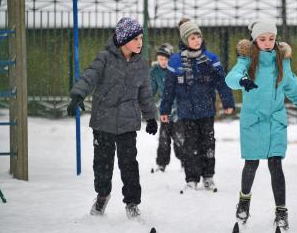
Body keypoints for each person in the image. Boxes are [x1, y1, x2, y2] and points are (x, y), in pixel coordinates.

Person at [225, 19, 297, 230]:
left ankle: (281, 211)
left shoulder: (282, 62)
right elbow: (231, 77)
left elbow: (292, 86)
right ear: (255, 40)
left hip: (275, 120)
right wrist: (242, 81)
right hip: (253, 120)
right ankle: (244, 202)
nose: (267, 42)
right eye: (262, 39)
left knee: (276, 164)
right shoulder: (247, 60)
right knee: (252, 163)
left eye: (271, 39)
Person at [67, 17, 158, 218]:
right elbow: (89, 76)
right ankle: (102, 195)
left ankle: (132, 203)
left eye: (141, 38)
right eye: (136, 39)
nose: (140, 42)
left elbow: (145, 94)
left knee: (129, 164)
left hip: (127, 123)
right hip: (103, 121)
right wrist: (77, 95)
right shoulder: (105, 58)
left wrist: (151, 117)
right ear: (123, 39)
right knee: (102, 164)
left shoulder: (141, 64)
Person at [160, 19, 235, 192]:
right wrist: (164, 109)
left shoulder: (210, 59)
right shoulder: (175, 61)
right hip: (186, 112)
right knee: (190, 145)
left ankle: (208, 177)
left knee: (208, 144)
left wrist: (227, 102)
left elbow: (221, 83)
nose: (196, 41)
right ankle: (191, 178)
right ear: (186, 40)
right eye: (192, 38)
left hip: (206, 110)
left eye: (198, 37)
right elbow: (169, 89)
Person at [149, 43, 186, 173]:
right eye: (160, 59)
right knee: (163, 138)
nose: (163, 62)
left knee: (180, 138)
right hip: (164, 110)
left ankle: (185, 162)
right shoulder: (155, 71)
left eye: (165, 59)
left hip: (179, 110)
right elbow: (151, 90)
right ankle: (161, 163)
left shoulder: (177, 69)